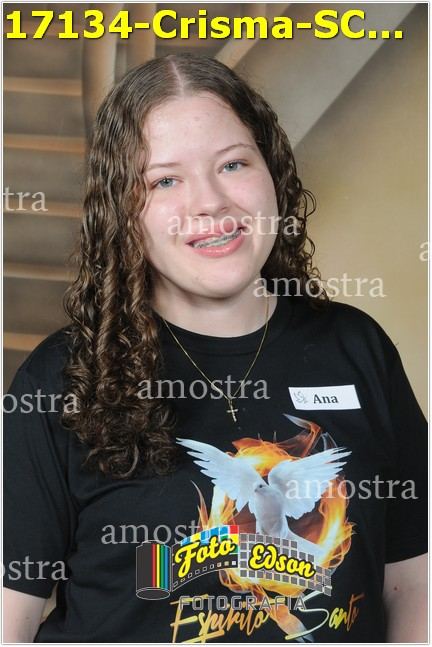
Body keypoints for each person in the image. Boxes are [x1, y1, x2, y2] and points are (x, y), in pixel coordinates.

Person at [3, 53, 427, 643]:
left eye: (232, 164)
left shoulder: (358, 348)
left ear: (272, 170)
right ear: (122, 211)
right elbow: (10, 616)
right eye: (164, 180)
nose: (209, 203)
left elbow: (414, 581)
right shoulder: (60, 378)